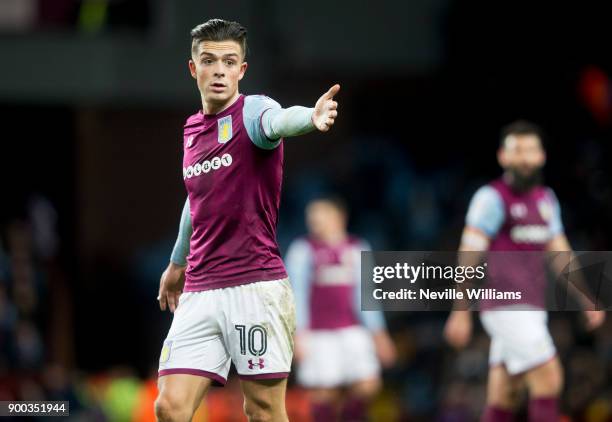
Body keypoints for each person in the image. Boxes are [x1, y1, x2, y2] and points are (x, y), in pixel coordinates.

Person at [154, 18, 340, 422]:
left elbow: (279, 120)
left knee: (263, 411)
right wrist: (177, 262)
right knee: (169, 407)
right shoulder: (191, 131)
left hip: (254, 288)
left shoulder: (253, 110)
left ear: (242, 70)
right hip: (200, 290)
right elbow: (196, 197)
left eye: (228, 61)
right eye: (209, 60)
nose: (219, 69)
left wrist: (311, 117)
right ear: (193, 68)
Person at [443, 120, 605, 421]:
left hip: (532, 306)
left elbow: (560, 253)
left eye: (530, 150)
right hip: (505, 305)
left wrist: (585, 298)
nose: (524, 157)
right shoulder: (490, 198)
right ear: (503, 157)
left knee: (505, 394)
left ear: (541, 156)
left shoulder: (546, 200)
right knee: (549, 379)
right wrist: (460, 308)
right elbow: (470, 253)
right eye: (516, 150)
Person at [285, 196, 396, 421]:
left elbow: (367, 292)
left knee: (369, 383)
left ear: (338, 217)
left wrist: (379, 334)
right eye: (311, 216)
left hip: (352, 329)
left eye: (320, 214)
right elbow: (296, 294)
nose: (314, 220)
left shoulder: (357, 247)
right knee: (323, 392)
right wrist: (299, 333)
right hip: (318, 333)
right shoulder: (303, 249)